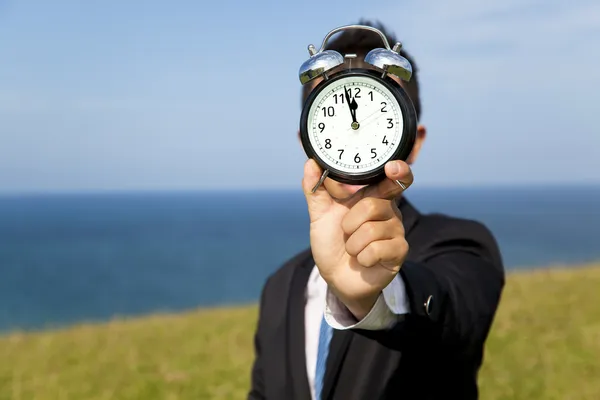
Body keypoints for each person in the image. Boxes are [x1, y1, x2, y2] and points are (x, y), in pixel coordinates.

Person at [248, 20, 505, 400]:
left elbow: (454, 314)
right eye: (337, 125)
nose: (357, 141)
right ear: (309, 142)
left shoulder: (463, 246)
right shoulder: (280, 287)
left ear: (412, 140)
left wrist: (376, 294)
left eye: (378, 122)